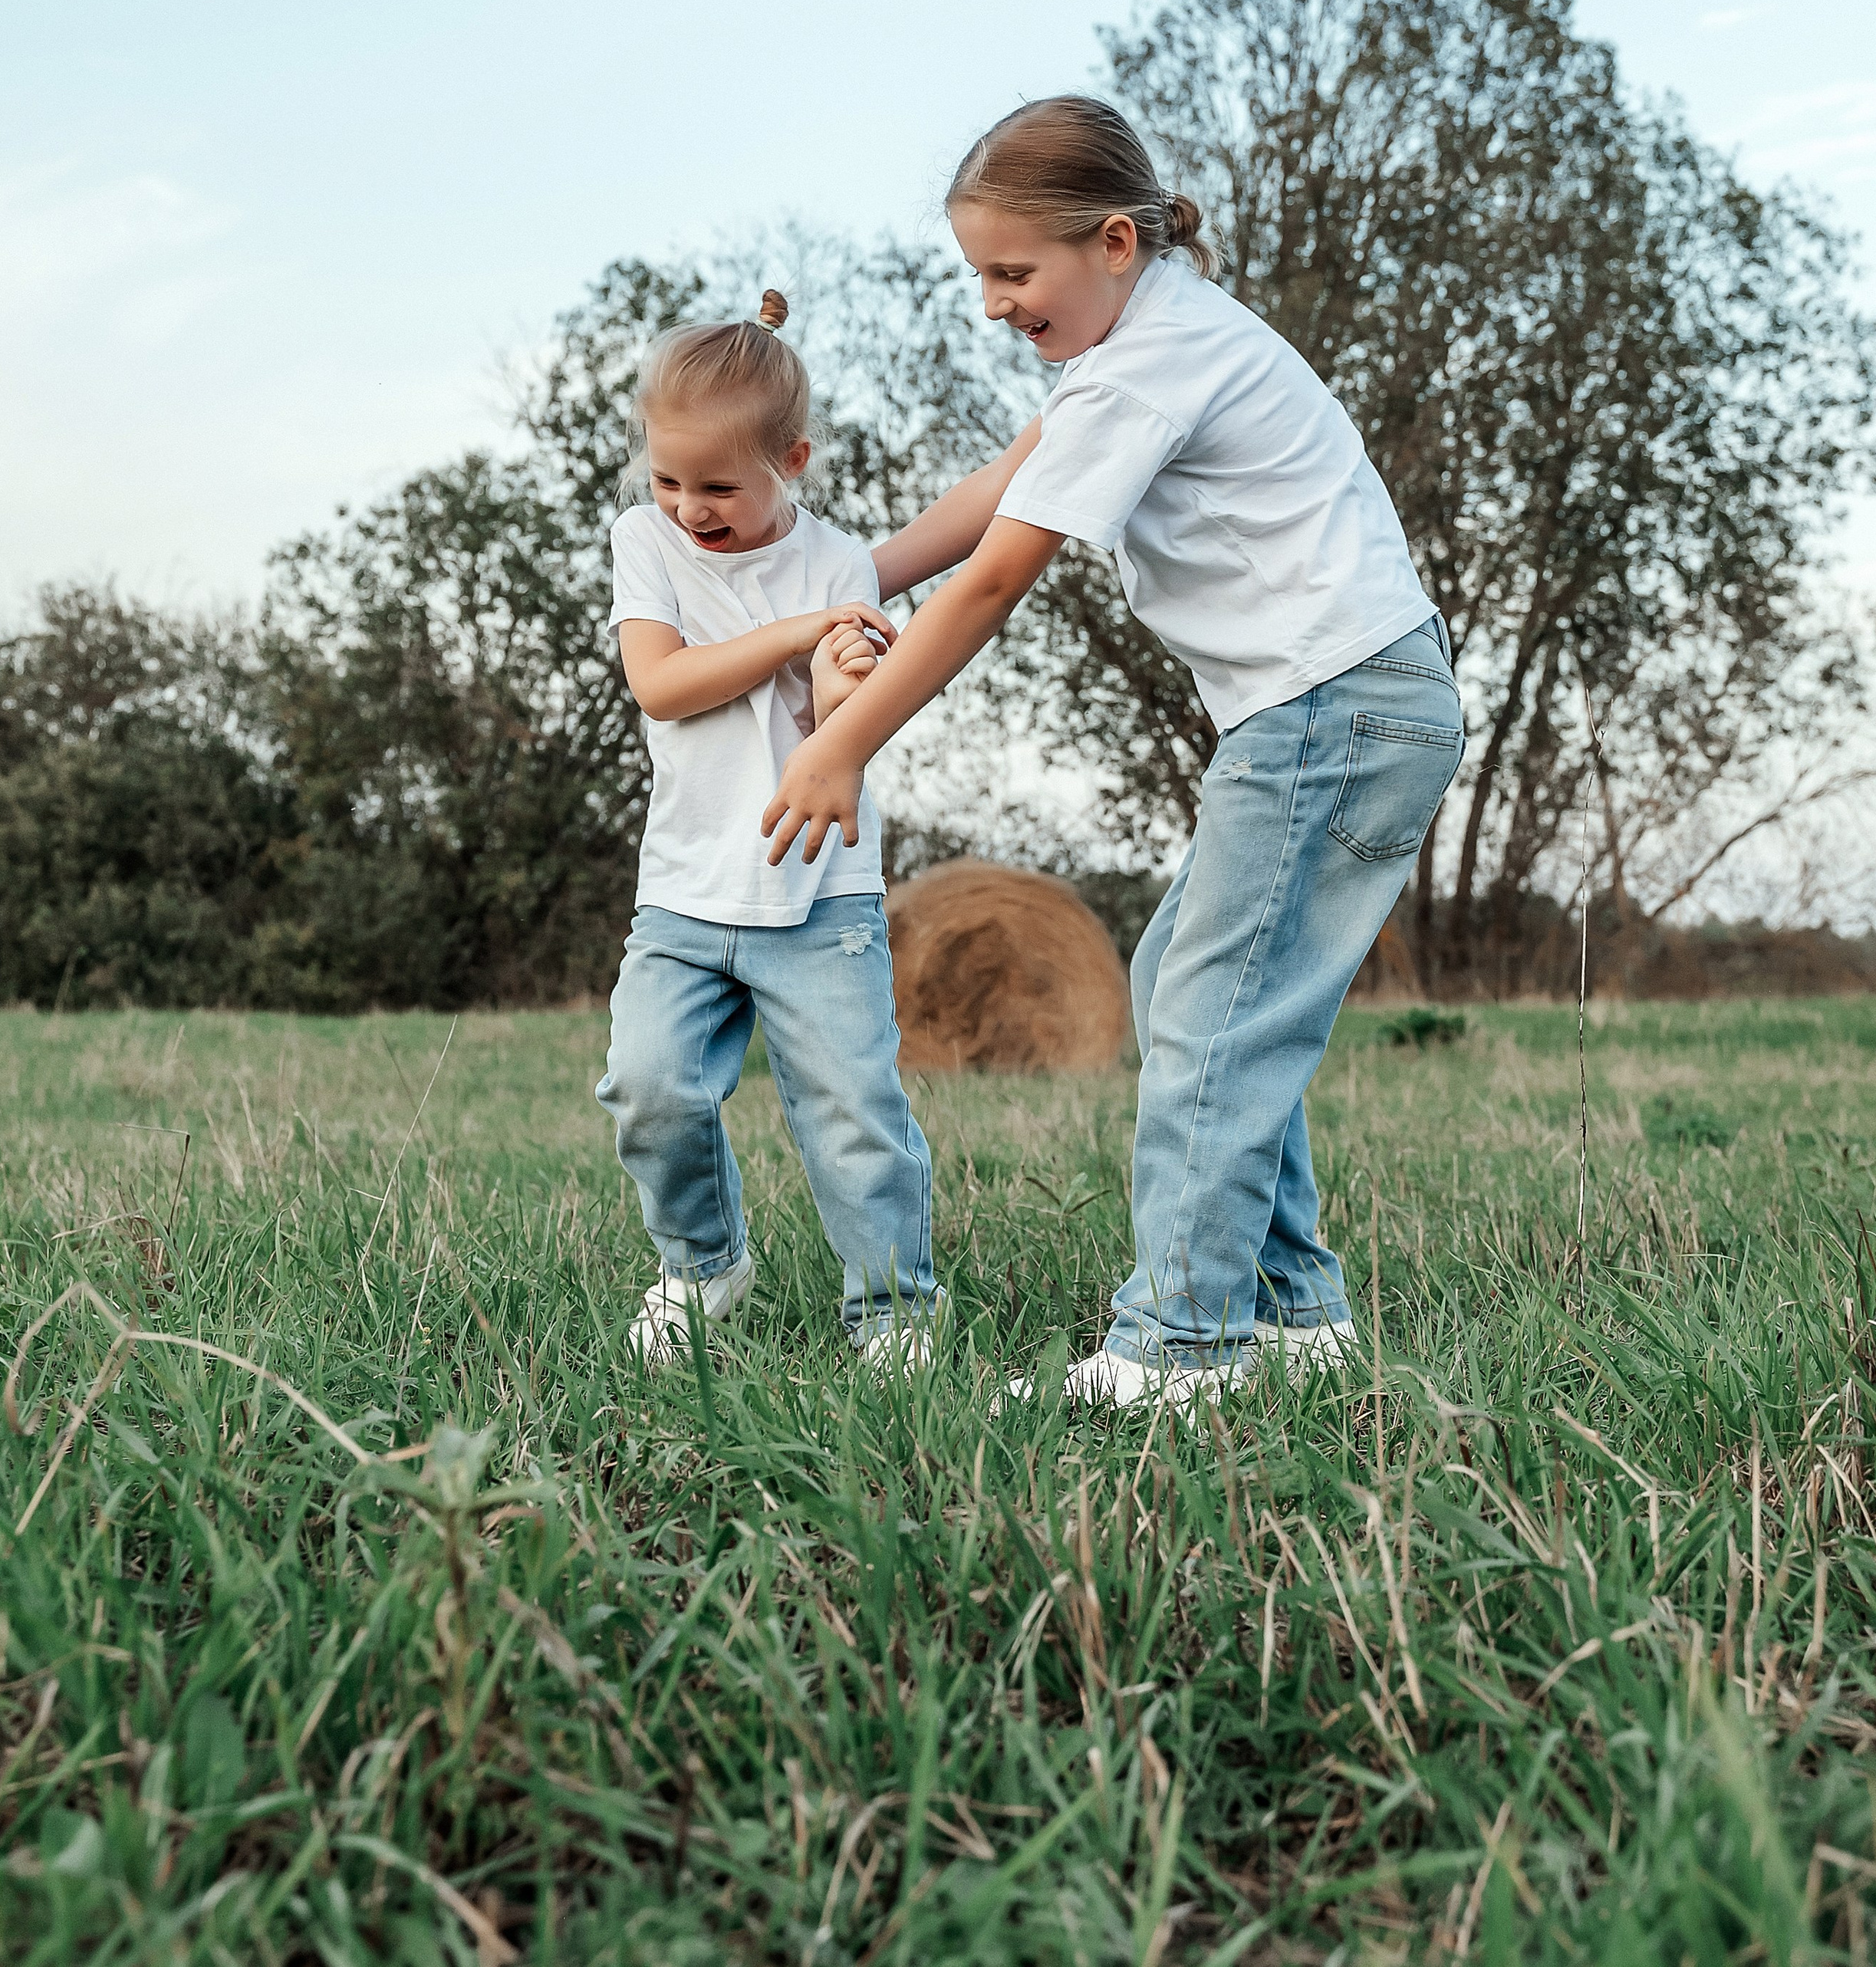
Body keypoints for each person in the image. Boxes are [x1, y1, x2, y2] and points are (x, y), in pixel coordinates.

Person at [762, 99, 1465, 1409]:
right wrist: (841, 578)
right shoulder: (1150, 342)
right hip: (1357, 700)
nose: (991, 304)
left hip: (1331, 706)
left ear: (1119, 242)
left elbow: (991, 584)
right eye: (979, 273)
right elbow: (991, 497)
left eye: (1013, 272)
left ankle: (1179, 1349)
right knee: (1191, 989)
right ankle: (1296, 1317)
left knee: (1210, 1014)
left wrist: (841, 741)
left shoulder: (1151, 364)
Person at [599, 288, 1033, 1367]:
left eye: (717, 485)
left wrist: (838, 672)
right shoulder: (646, 545)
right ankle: (703, 1265)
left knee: (854, 1113)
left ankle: (894, 1314)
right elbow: (660, 683)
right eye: (668, 479)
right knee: (648, 1085)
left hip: (819, 893)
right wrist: (800, 632)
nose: (689, 506)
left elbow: (845, 717)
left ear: (790, 458)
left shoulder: (837, 565)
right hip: (685, 891)